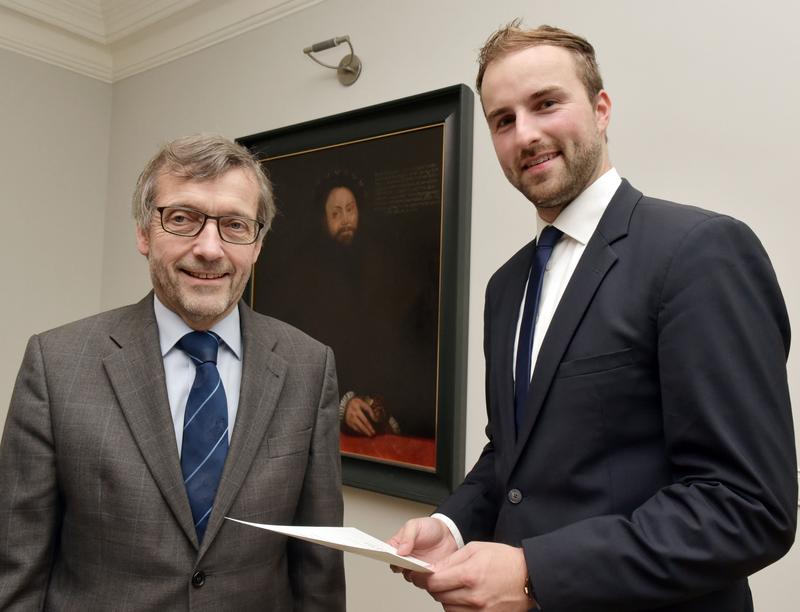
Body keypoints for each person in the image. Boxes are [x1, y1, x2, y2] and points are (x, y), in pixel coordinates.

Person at [389, 22, 796, 611]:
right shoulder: (505, 287)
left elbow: (746, 505)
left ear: (601, 109)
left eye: (546, 103)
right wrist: (450, 525)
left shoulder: (698, 252)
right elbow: (512, 453)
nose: (525, 134)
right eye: (503, 120)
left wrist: (535, 574)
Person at [0, 134, 345, 610]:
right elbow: (16, 572)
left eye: (234, 225)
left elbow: (319, 572)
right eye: (181, 219)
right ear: (144, 233)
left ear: (257, 244)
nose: (209, 248)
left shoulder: (309, 367)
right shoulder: (56, 364)